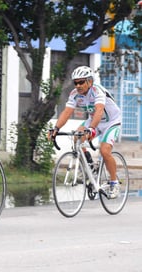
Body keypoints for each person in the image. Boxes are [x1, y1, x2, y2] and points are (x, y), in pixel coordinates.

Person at [48, 65, 122, 198]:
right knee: (76, 137)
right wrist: (56, 128)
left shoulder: (97, 91)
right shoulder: (75, 95)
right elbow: (67, 112)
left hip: (111, 121)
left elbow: (99, 110)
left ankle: (114, 182)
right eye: (76, 82)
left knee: (104, 151)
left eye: (81, 82)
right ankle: (90, 166)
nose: (78, 85)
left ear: (90, 81)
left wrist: (91, 129)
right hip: (94, 120)